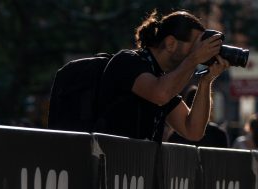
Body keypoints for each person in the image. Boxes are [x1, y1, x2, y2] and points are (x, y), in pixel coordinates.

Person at [96, 10, 229, 143]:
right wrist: (193, 59)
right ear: (171, 43)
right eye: (195, 45)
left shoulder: (162, 80)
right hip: (109, 160)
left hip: (135, 162)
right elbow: (160, 94)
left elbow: (193, 131)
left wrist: (206, 82)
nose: (199, 51)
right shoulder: (128, 61)